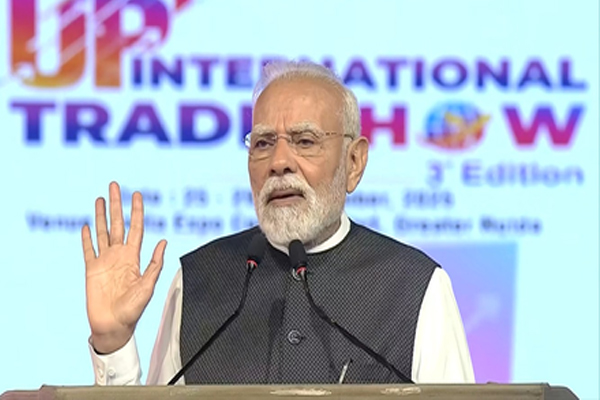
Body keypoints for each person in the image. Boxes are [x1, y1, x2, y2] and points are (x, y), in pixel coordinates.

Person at [82, 61, 474, 385]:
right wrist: (113, 344)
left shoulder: (414, 285)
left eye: (305, 141)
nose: (279, 162)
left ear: (354, 163)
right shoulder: (198, 279)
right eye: (263, 143)